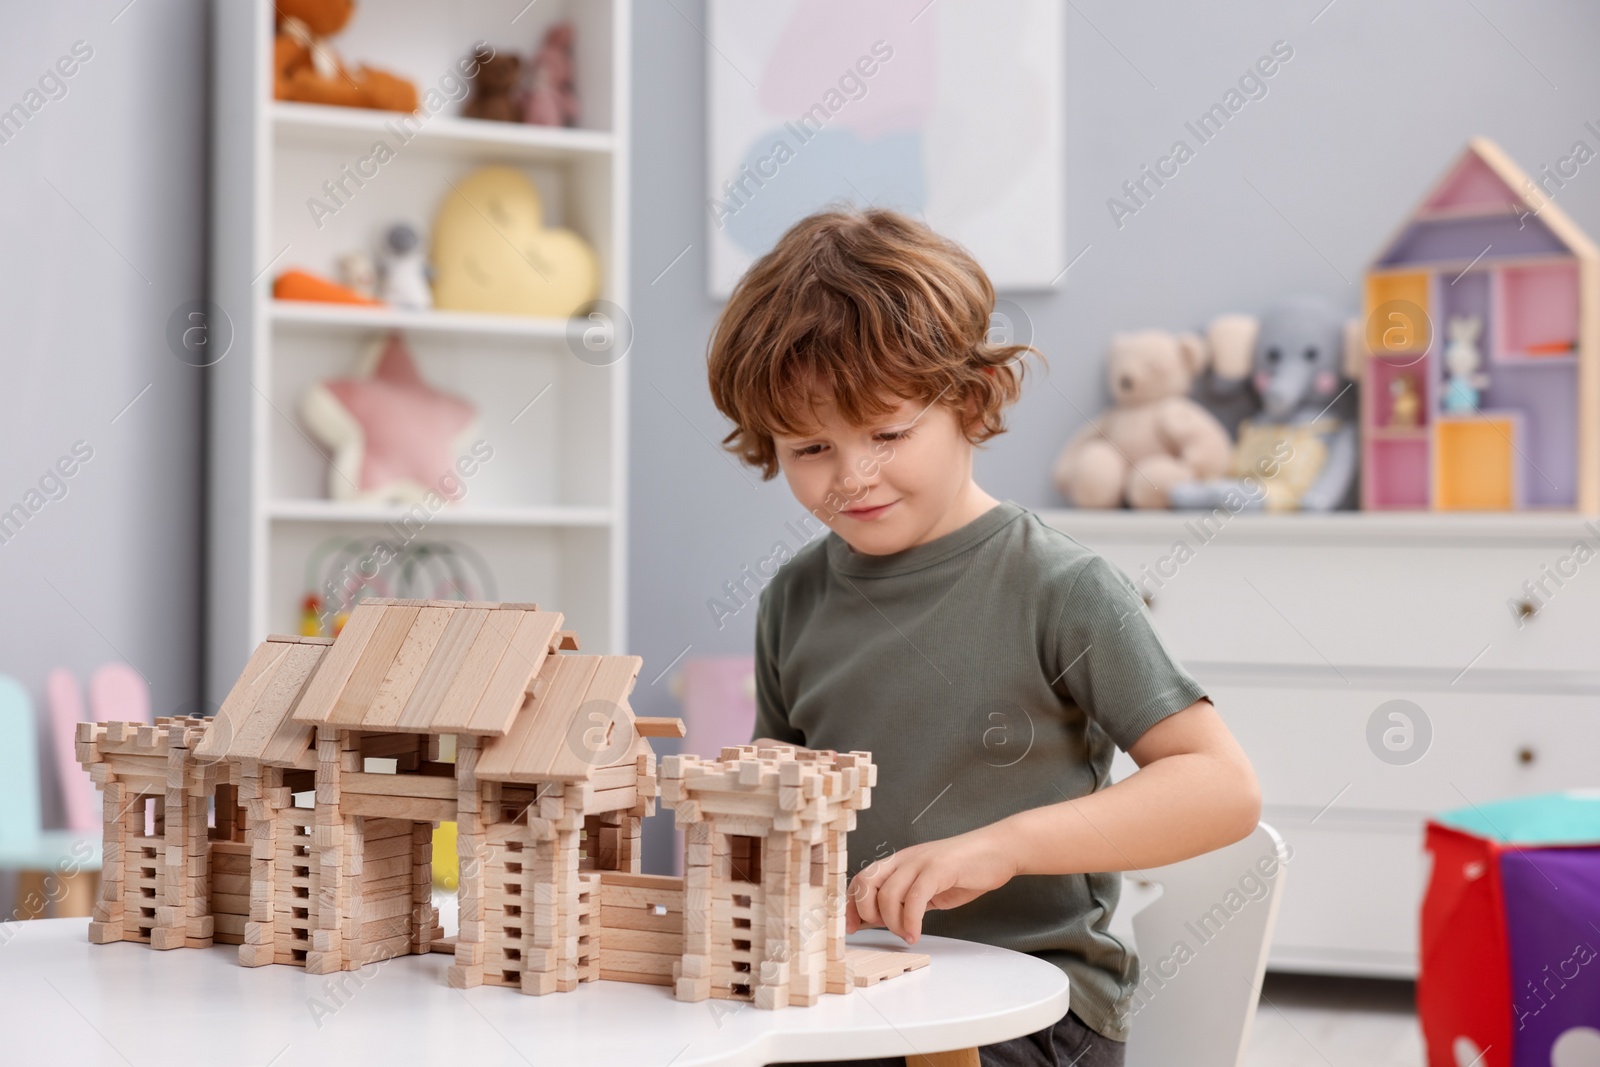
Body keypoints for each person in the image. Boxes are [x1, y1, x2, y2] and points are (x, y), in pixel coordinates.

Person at [703, 206, 1262, 1066]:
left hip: (1034, 1008)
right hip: (854, 989)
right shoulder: (793, 599)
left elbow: (1223, 787)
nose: (853, 476)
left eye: (888, 433)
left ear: (966, 400)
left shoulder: (1061, 587)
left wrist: (1004, 847)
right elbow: (775, 804)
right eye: (812, 447)